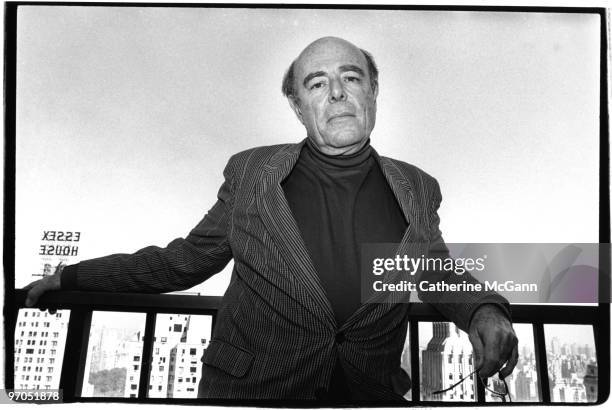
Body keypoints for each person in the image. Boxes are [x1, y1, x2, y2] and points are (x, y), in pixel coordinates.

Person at [25, 36, 518, 402]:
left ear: (373, 93)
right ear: (298, 106)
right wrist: (73, 276)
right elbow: (183, 262)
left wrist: (484, 309)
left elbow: (433, 273)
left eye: (351, 78)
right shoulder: (251, 174)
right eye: (317, 83)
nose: (338, 93)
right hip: (254, 395)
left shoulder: (416, 186)